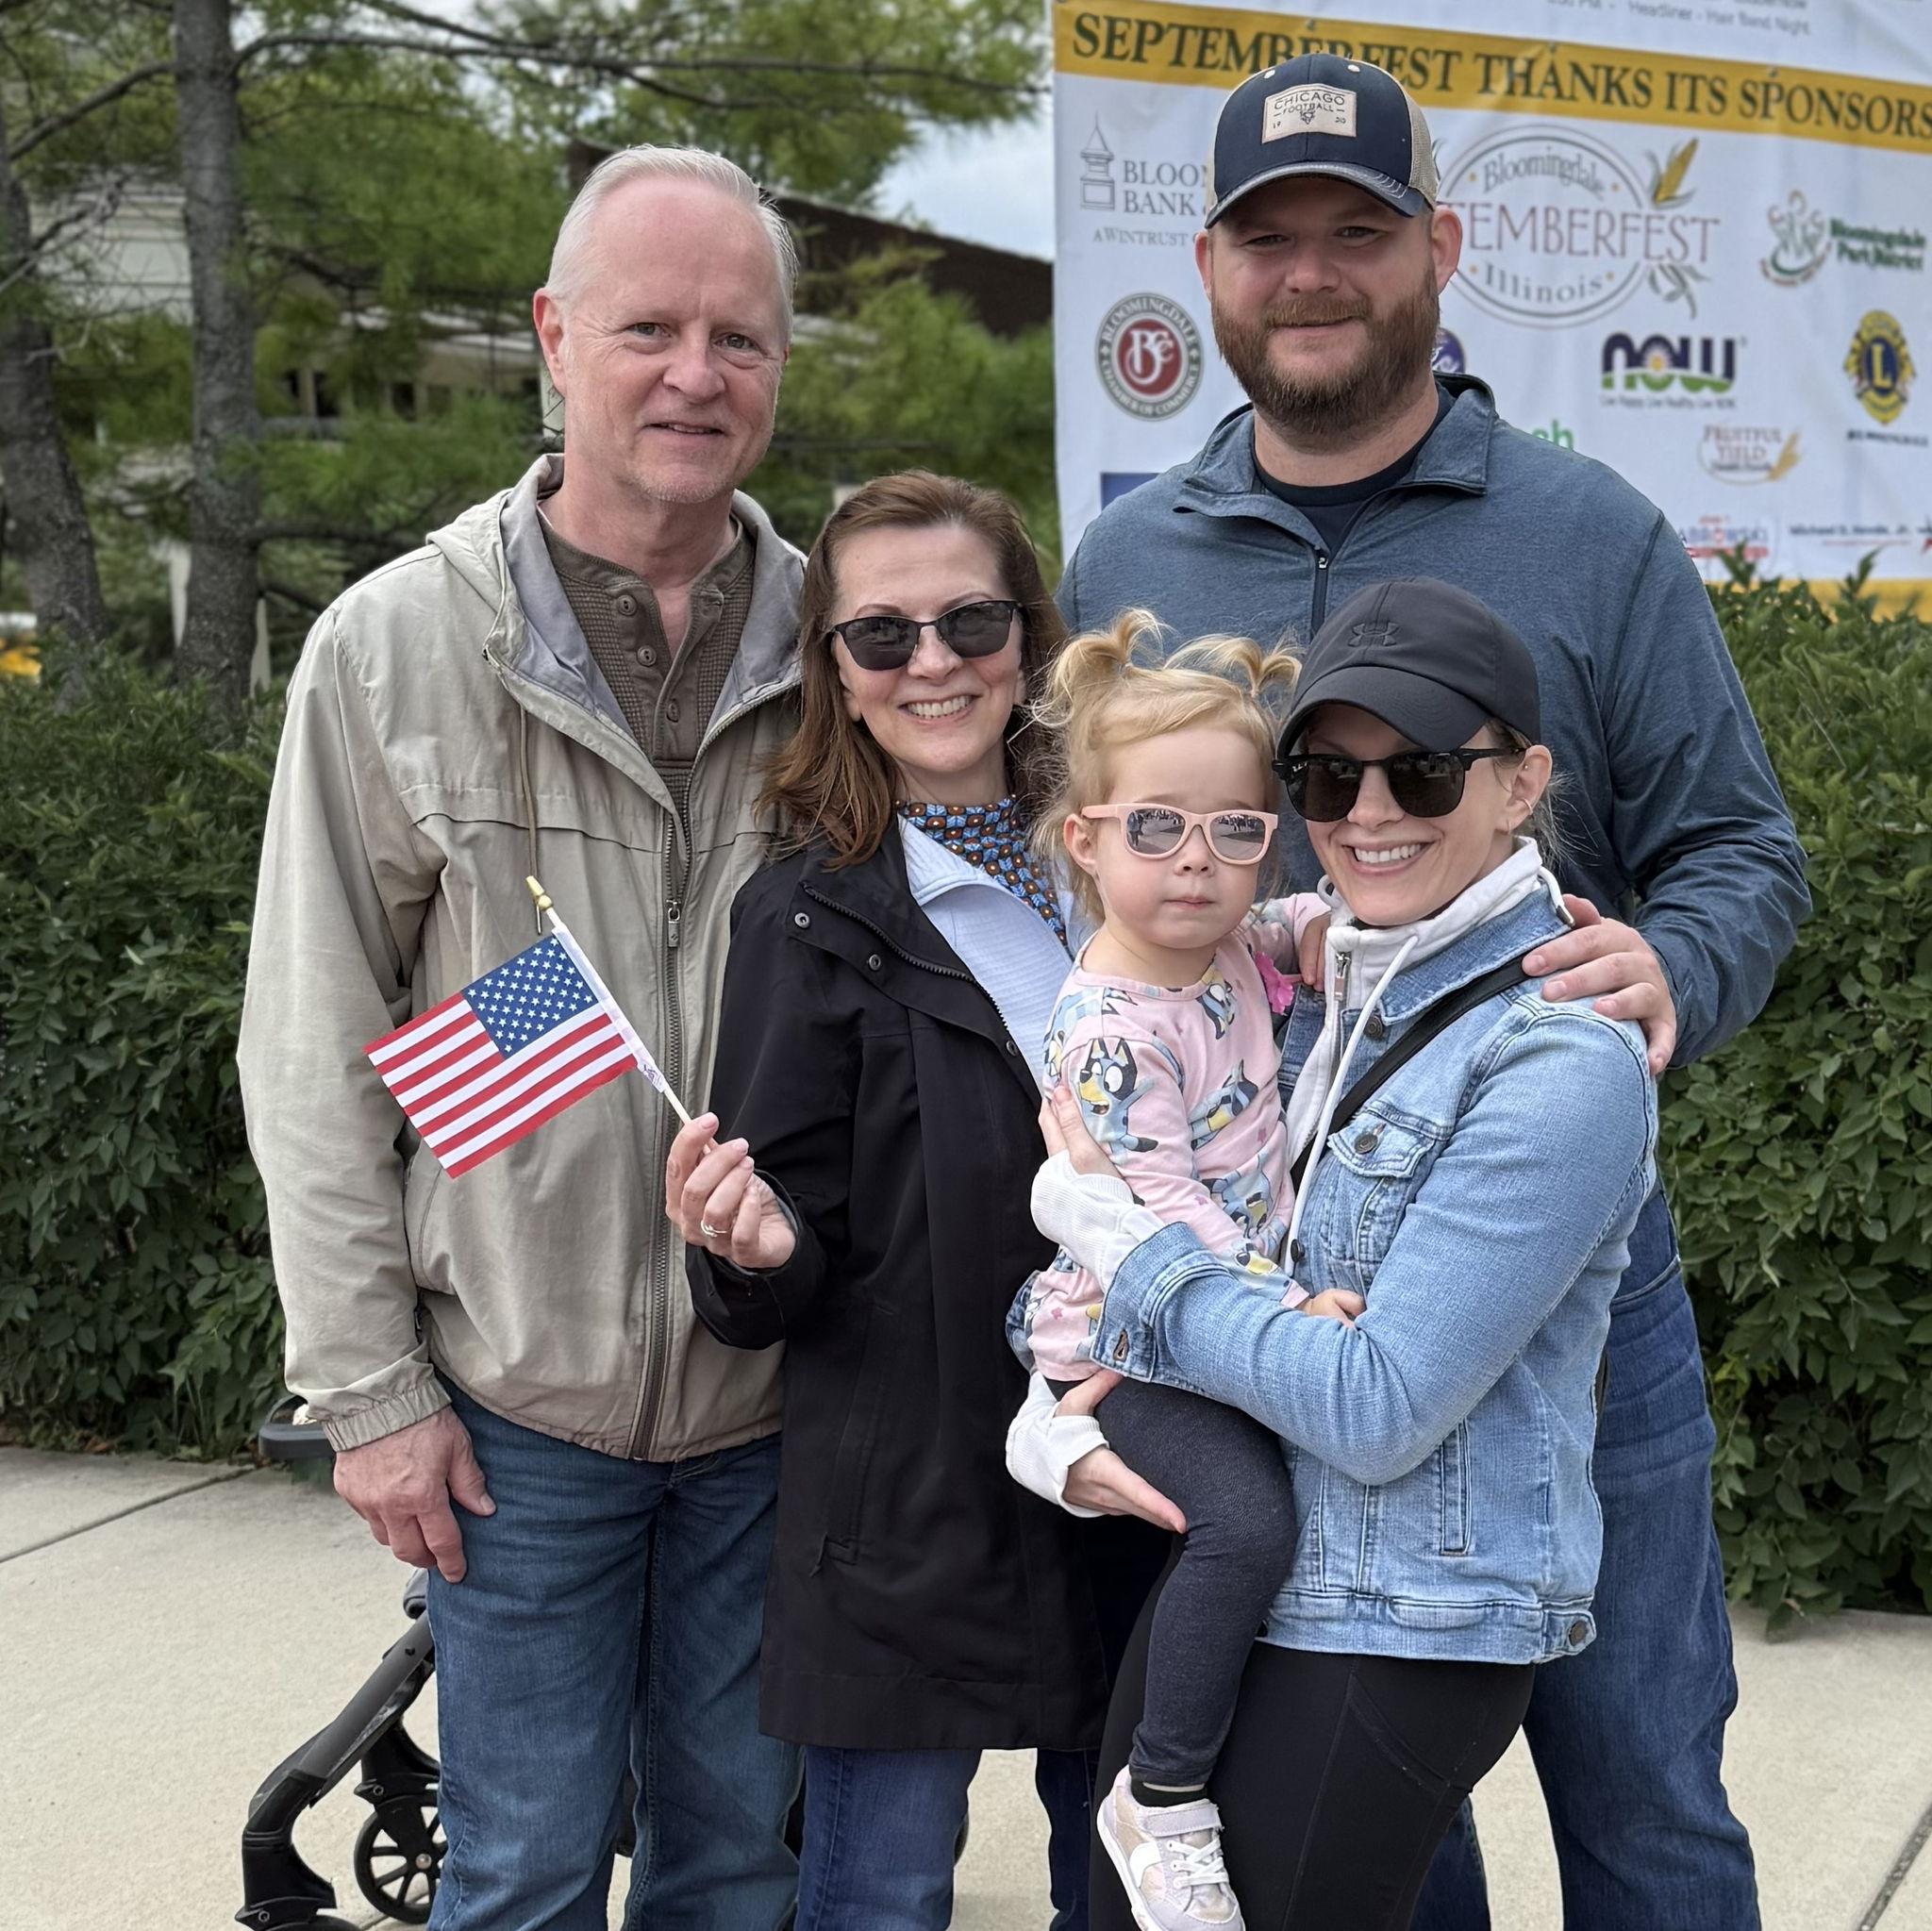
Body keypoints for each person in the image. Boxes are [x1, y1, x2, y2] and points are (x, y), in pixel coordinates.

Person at [1056, 54, 1809, 1929]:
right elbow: (1081, 875)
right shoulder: (1133, 552)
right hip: (1274, 1284)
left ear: (1440, 254)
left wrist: (1675, 961)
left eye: (1357, 234)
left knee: (1641, 1791)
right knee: (1366, 1807)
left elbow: (1739, 855)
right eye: (1268, 239)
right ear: (1210, 272)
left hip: (1558, 1279)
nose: (1311, 275)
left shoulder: (1591, 533)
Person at [238, 146, 806, 1929]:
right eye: (649, 327)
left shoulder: (861, 642)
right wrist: (370, 1395)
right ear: (558, 337)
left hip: (780, 1408)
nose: (694, 374)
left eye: (740, 335)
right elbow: (316, 1046)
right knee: (527, 1874)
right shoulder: (394, 646)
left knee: (736, 1875)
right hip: (516, 1411)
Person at [1012, 576, 1659, 1928]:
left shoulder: (1560, 1049)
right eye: (1326, 774)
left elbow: (1376, 1407)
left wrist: (1129, 1264)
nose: (1367, 814)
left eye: (1420, 773)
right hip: (1270, 1578)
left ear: (1520, 781)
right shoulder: (1329, 977)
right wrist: (1060, 1407)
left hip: (1397, 1620)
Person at [660, 471, 1121, 1931]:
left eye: (970, 618)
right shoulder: (804, 915)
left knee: (1124, 1891)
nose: (933, 662)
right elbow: (776, 1260)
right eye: (882, 637)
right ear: (837, 679)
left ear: (1031, 638)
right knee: (882, 1901)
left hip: (1126, 1465)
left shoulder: (1130, 866)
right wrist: (753, 1245)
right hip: (909, 1502)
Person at [1008, 616, 1344, 1929]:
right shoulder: (1107, 1025)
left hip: (1220, 1327)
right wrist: (1283, 1308)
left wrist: (1342, 929)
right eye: (1156, 830)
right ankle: (1161, 1794)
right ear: (1084, 839)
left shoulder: (1231, 949)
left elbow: (1311, 924)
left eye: (1237, 833)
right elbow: (1155, 1210)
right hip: (1140, 1339)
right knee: (1247, 1527)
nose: (1198, 866)